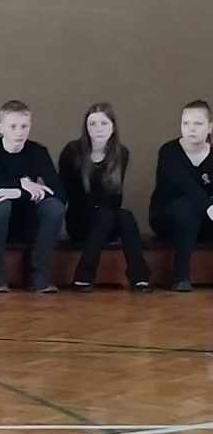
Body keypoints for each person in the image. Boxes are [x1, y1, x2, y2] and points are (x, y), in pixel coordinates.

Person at [0, 101, 66, 293]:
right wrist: (21, 184)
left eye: (24, 126)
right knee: (0, 205)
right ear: (1, 128)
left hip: (26, 221)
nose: (19, 132)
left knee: (54, 207)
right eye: (13, 126)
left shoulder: (38, 151)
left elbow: (59, 193)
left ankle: (39, 275)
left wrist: (15, 192)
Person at [61, 103, 149, 291]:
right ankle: (83, 276)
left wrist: (102, 207)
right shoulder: (73, 151)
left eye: (104, 123)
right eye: (92, 124)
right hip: (80, 221)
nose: (98, 128)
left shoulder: (121, 153)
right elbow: (67, 193)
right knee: (106, 215)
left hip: (107, 218)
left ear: (113, 127)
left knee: (125, 215)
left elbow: (116, 198)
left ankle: (140, 277)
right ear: (86, 127)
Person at [147, 99, 212, 291]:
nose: (191, 128)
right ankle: (181, 276)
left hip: (205, 219)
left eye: (198, 123)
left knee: (193, 209)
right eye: (186, 123)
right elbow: (186, 185)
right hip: (167, 217)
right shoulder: (169, 152)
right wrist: (208, 206)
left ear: (210, 127)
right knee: (186, 206)